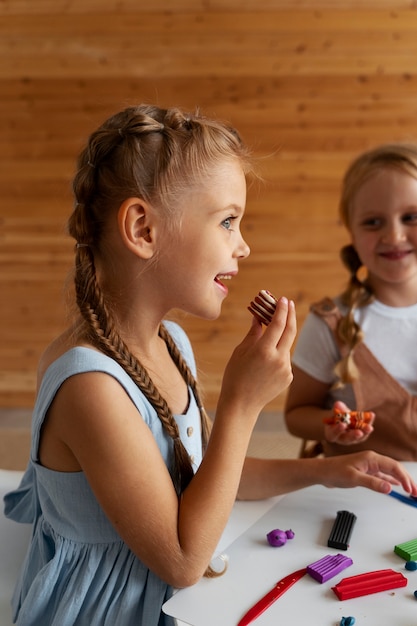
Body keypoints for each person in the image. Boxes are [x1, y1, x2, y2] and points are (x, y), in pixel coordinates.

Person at [4, 109, 416, 626]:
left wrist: (327, 471)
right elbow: (181, 561)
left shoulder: (171, 343)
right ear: (142, 229)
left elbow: (202, 481)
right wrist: (243, 405)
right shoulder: (91, 387)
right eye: (227, 221)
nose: (243, 245)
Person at [285, 142, 417, 460]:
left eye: (411, 217)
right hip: (360, 492)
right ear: (352, 234)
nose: (394, 236)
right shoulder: (331, 323)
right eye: (373, 222)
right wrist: (331, 426)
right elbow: (296, 415)